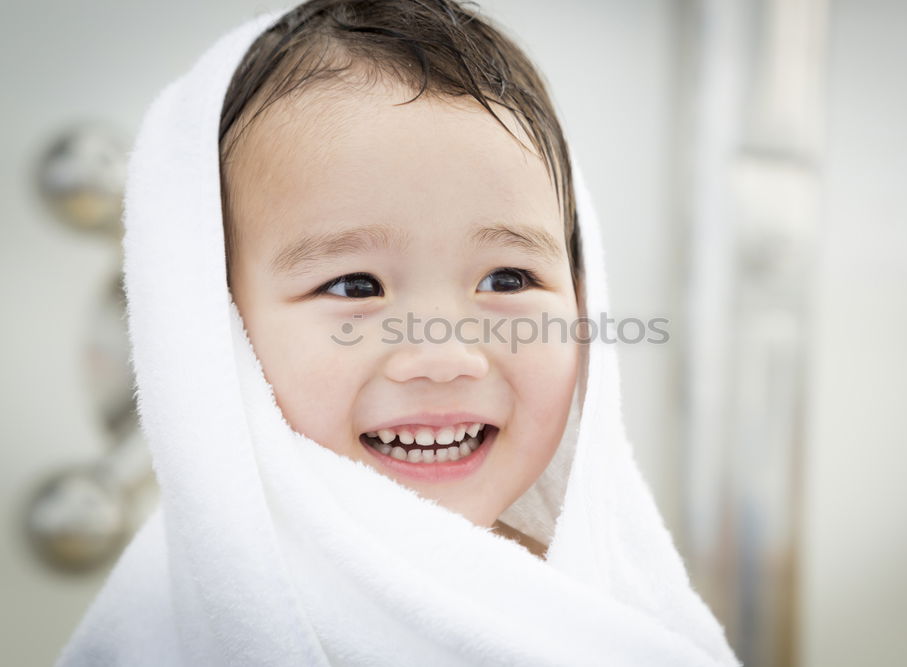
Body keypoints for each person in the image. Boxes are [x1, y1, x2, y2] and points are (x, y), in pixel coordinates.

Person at [58, 2, 741, 664]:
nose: (444, 357)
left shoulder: (608, 618)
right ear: (217, 327)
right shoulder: (170, 621)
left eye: (506, 278)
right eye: (356, 286)